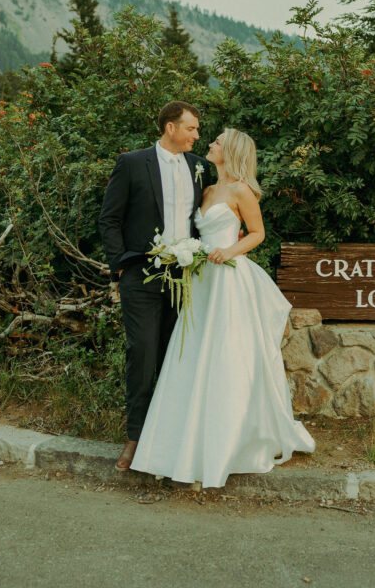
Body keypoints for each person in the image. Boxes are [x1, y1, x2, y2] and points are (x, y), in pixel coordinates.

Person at [130, 127, 315, 488]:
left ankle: (229, 442)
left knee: (227, 355)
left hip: (228, 280)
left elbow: (258, 233)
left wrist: (229, 250)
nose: (209, 144)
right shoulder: (207, 190)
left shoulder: (241, 191)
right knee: (192, 354)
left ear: (231, 151)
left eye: (216, 142)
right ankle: (182, 444)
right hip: (201, 281)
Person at [99, 101, 212, 472]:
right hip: (142, 275)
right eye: (191, 128)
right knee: (143, 353)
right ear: (170, 128)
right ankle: (135, 437)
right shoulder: (132, 163)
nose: (197, 135)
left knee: (177, 356)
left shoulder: (200, 167)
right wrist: (119, 267)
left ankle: (170, 440)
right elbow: (109, 219)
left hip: (186, 278)